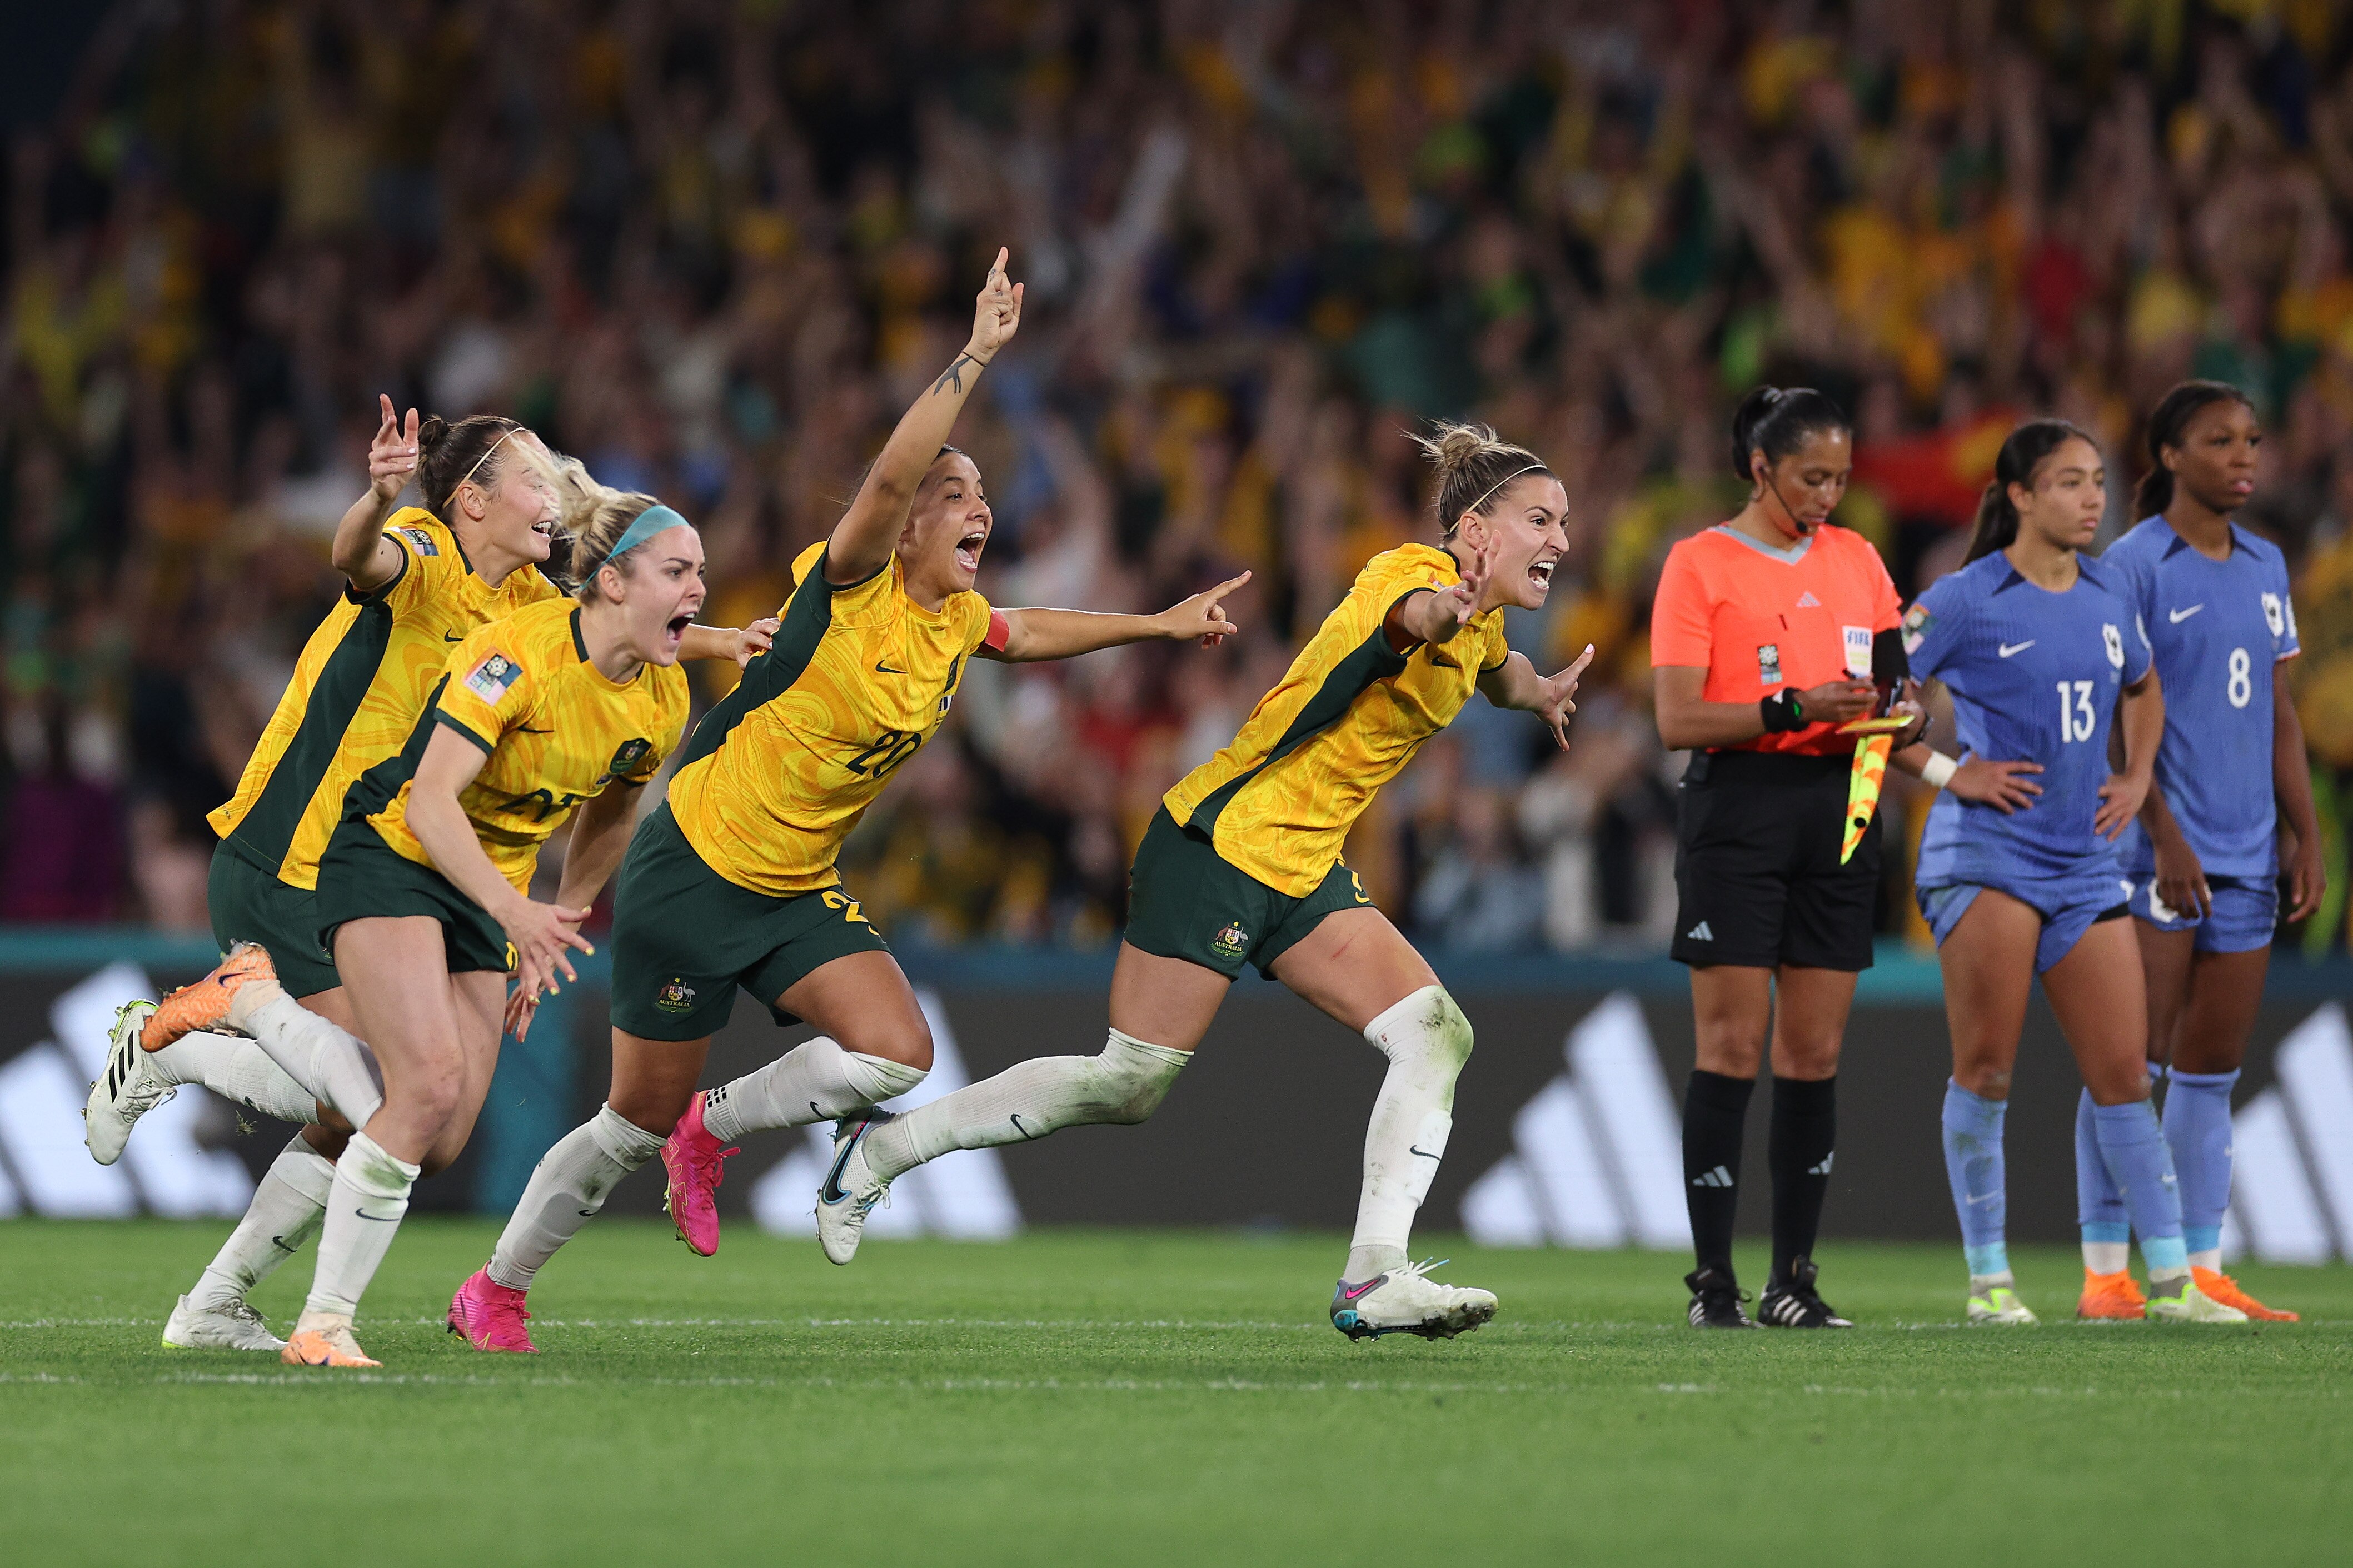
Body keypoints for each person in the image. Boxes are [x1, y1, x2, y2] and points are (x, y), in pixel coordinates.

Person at [447, 250, 1249, 1354]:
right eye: (953, 495)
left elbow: (1030, 632)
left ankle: (712, 1128)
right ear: (908, 522)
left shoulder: (953, 623)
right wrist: (975, 355)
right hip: (693, 867)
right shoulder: (850, 585)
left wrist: (1157, 625)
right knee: (627, 1119)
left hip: (791, 887)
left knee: (895, 1052)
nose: (977, 509)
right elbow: (882, 479)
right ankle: (496, 1287)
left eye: (980, 496)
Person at [802, 420, 1591, 1346]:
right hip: (1218, 845)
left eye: (1564, 522)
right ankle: (883, 1148)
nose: (1563, 542)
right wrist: (1437, 613)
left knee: (1436, 1033)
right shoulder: (1407, 579)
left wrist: (1536, 690)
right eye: (1542, 519)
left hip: (1298, 872)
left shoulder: (1480, 624)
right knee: (1128, 1084)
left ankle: (1374, 1274)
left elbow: (1494, 668)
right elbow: (1411, 617)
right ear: (1475, 534)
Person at [84, 400, 765, 1352]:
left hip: (428, 871)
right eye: (532, 473)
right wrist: (377, 494)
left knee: (392, 1117)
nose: (554, 490)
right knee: (397, 1091)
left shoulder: (532, 606)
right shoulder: (426, 549)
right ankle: (215, 1025)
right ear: (472, 502)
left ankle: (212, 1292)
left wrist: (718, 638)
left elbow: (613, 622)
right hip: (302, 853)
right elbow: (357, 560)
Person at [1905, 418, 2243, 1326]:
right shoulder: (1966, 598)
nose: (2092, 499)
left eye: (2096, 482)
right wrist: (1951, 770)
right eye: (2068, 483)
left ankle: (2170, 1286)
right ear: (2018, 496)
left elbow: (2143, 684)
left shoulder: (2107, 594)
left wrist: (2135, 775)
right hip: (1987, 857)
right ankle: (1989, 1284)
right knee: (1986, 1071)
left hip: (2084, 863)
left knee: (2125, 1076)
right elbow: (1873, 702)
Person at [1649, 387, 1928, 1330]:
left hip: (1843, 806)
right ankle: (1713, 1284)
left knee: (1813, 1051)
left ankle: (1793, 1283)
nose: (1829, 494)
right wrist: (1793, 709)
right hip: (1741, 804)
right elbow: (1676, 717)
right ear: (1760, 466)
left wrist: (1907, 715)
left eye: (1842, 477)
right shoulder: (1699, 564)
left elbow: (1896, 688)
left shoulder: (1857, 558)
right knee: (1729, 1044)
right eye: (1813, 475)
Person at [2082, 381, 2321, 1322]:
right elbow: (2112, 717)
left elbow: (2280, 716)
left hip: (2248, 852)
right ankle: (2108, 1272)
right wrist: (2162, 829)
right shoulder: (2134, 564)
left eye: (2252, 439)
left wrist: (2305, 832)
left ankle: (2199, 1268)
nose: (2244, 456)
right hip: (2156, 856)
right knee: (2127, 1064)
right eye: (2219, 440)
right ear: (2169, 455)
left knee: (2210, 1071)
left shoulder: (2264, 565)